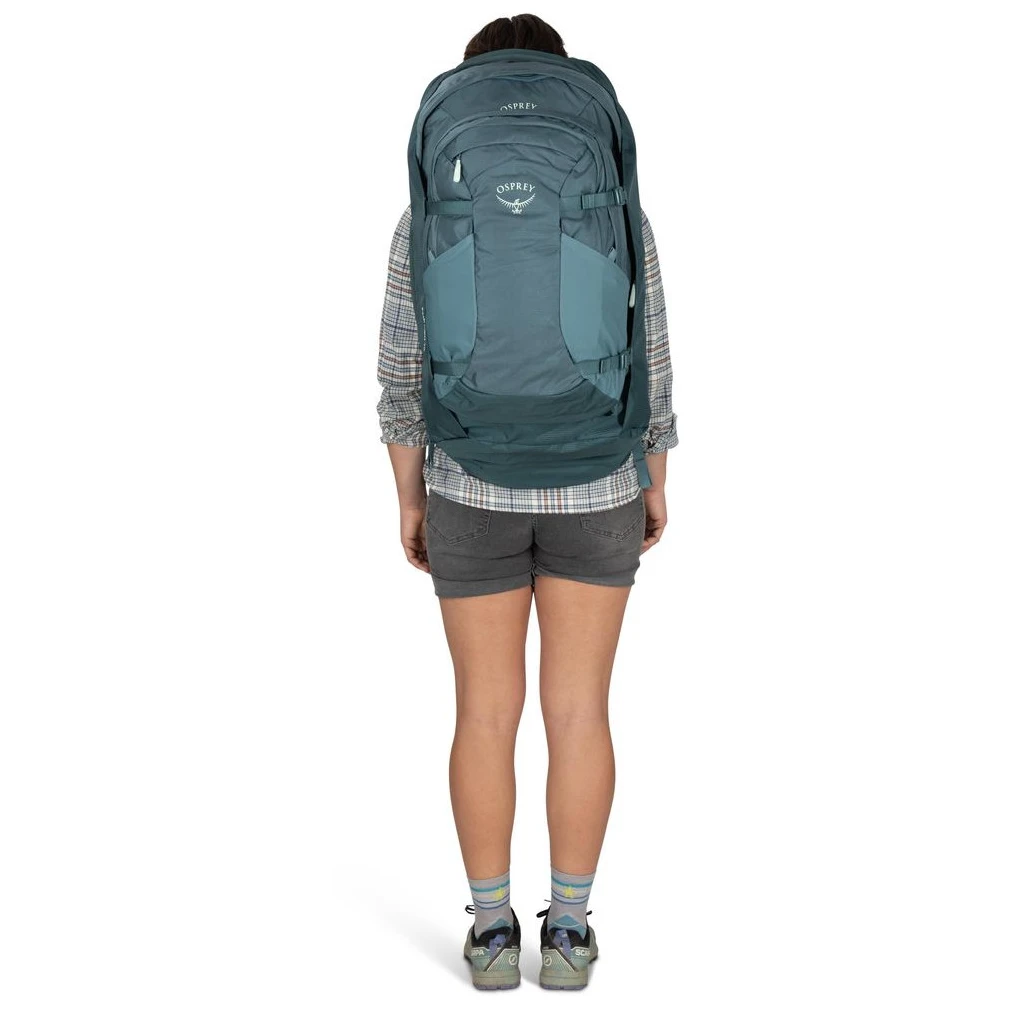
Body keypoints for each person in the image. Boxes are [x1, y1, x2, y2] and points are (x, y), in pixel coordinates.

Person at [376, 14, 678, 990]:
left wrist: (410, 494)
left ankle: (493, 932)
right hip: (599, 475)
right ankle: (573, 931)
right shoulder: (615, 205)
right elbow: (650, 352)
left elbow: (401, 365)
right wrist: (653, 474)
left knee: (483, 712)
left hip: (467, 478)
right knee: (580, 711)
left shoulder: (430, 211)